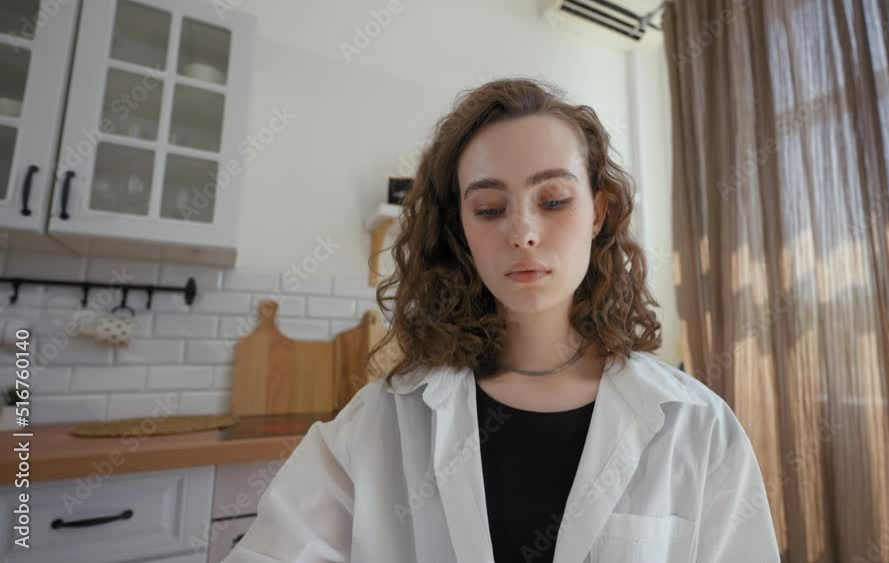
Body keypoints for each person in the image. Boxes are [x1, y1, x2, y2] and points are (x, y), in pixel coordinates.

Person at [223, 78, 780, 563]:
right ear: (461, 230)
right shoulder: (382, 423)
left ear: (598, 211)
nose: (522, 233)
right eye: (489, 209)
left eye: (554, 200)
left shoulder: (697, 427)